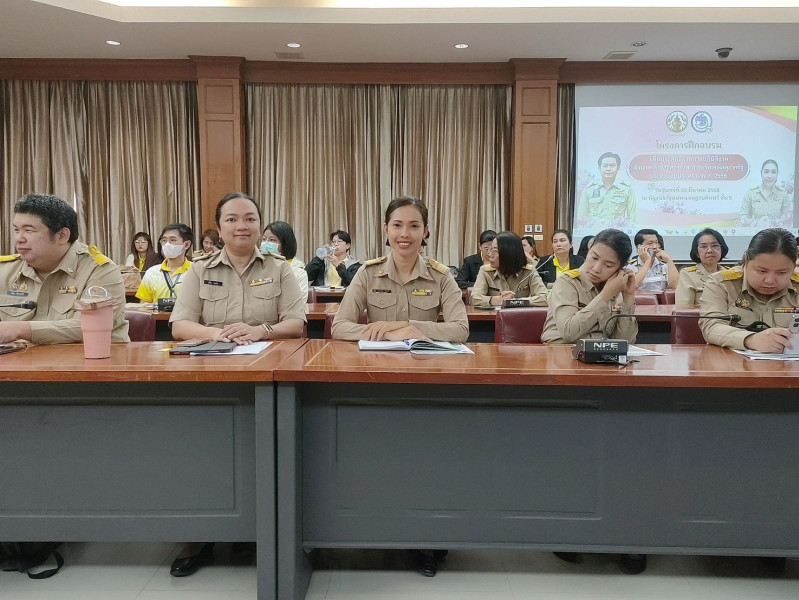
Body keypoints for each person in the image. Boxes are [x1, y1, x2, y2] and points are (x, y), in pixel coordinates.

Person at [168, 192, 305, 577]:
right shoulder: (199, 269)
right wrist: (219, 334)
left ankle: (257, 530)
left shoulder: (280, 268)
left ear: (260, 225)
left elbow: (297, 323)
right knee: (205, 456)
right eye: (231, 219)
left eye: (249, 218)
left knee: (264, 456)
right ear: (219, 226)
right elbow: (179, 325)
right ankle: (200, 535)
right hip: (212, 377)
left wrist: (261, 330)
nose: (241, 226)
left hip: (268, 376)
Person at [0, 193, 128, 344]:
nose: (19, 239)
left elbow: (92, 325)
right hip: (19, 358)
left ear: (62, 235)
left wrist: (20, 329)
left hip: (85, 357)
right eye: (16, 230)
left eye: (29, 230)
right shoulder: (5, 270)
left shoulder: (100, 271)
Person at [700, 228, 799, 352]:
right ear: (746, 261)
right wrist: (751, 339)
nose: (770, 280)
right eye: (761, 271)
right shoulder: (721, 283)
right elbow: (711, 327)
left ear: (793, 267)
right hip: (734, 362)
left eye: (781, 273)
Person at [541, 228, 636, 345]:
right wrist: (605, 296)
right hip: (563, 350)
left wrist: (628, 297)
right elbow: (569, 332)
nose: (596, 268)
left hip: (600, 353)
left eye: (608, 265)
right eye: (594, 258)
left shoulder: (616, 289)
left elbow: (626, 341)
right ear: (589, 249)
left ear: (621, 268)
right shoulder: (567, 282)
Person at [470, 231, 548, 307]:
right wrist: (495, 300)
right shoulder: (485, 271)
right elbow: (474, 298)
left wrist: (516, 302)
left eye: (495, 251)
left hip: (520, 315)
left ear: (509, 254)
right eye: (490, 249)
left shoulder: (529, 271)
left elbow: (545, 298)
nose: (490, 254)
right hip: (493, 315)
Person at [135, 223, 193, 304]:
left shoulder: (195, 271)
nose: (167, 244)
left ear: (186, 244)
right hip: (157, 312)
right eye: (164, 240)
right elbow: (143, 305)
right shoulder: (152, 272)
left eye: (172, 240)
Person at [576, 152, 637, 227]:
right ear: (599, 168)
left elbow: (632, 220)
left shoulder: (627, 190)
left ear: (618, 168)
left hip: (617, 233)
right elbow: (581, 218)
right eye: (605, 166)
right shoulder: (589, 189)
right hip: (594, 233)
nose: (608, 169)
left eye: (612, 166)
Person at [676, 228, 729, 305]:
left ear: (722, 249)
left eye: (714, 245)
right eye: (704, 247)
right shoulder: (688, 275)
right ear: (697, 253)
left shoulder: (729, 274)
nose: (710, 250)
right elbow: (683, 308)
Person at [262, 220, 308, 298]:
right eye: (264, 239)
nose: (266, 243)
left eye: (272, 240)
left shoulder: (299, 273)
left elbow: (299, 302)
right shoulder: (256, 266)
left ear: (285, 243)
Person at [738, 160, 792, 227]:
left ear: (777, 174)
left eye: (773, 172)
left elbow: (787, 219)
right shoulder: (751, 193)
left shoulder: (783, 194)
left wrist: (772, 223)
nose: (769, 176)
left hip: (776, 233)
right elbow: (743, 217)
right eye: (766, 172)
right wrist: (757, 223)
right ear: (761, 173)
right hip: (756, 232)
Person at [628, 228, 679, 293]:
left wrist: (669, 260)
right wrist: (647, 262)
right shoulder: (631, 266)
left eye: (656, 242)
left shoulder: (664, 265)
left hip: (662, 298)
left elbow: (675, 286)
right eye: (650, 243)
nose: (655, 246)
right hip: (640, 299)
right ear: (639, 247)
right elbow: (633, 286)